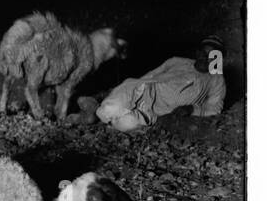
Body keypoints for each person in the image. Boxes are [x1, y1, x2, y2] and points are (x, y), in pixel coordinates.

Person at [95, 36, 227, 132]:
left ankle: (99, 111)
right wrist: (125, 91)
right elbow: (148, 77)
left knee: (128, 123)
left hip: (155, 113)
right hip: (142, 91)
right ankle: (101, 109)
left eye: (213, 55)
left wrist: (192, 109)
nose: (206, 57)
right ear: (197, 52)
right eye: (203, 52)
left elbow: (215, 108)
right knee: (110, 109)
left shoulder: (216, 79)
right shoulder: (176, 61)